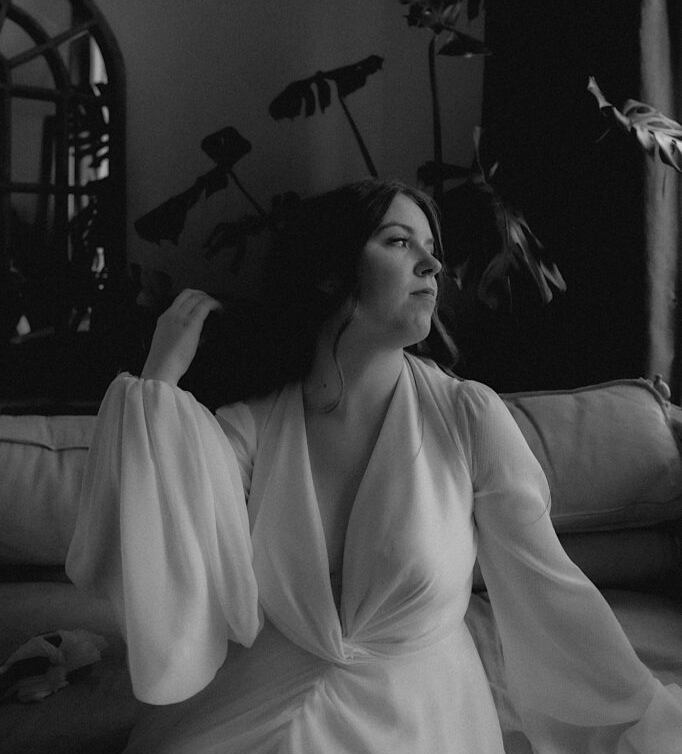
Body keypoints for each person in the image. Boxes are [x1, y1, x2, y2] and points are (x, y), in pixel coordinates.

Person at [66, 179, 682, 753]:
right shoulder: (250, 429)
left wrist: (642, 715)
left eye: (431, 248)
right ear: (332, 274)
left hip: (416, 715)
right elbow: (165, 546)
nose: (434, 264)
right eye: (399, 242)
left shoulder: (468, 417)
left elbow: (546, 583)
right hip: (263, 701)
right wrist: (159, 378)